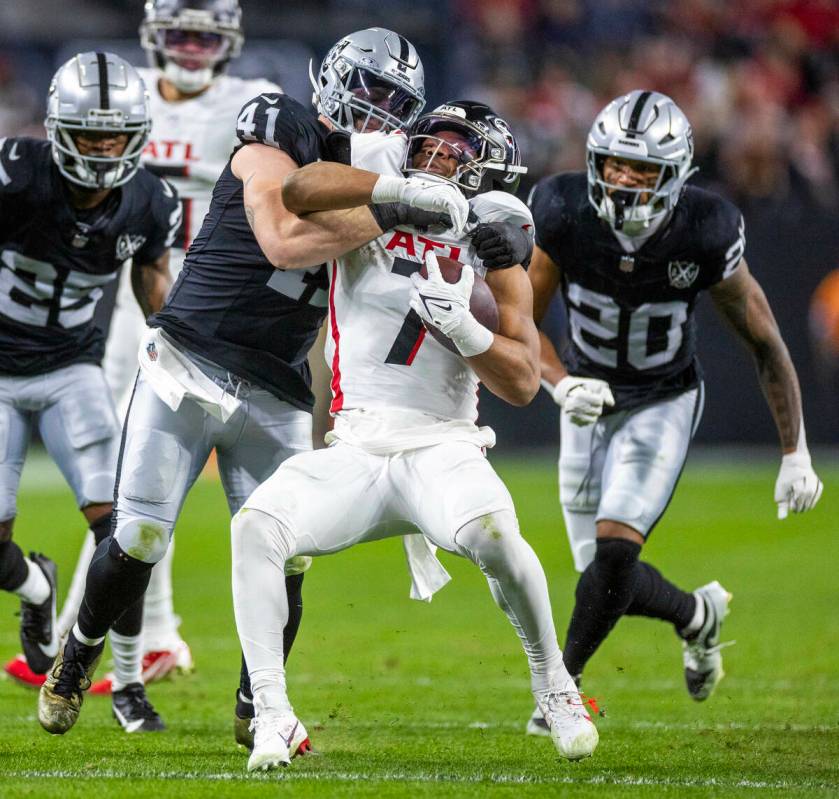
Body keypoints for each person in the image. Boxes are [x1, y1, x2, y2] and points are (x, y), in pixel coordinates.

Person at [36, 28, 467, 745]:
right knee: (139, 533)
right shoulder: (281, 121)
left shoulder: (386, 177)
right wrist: (395, 204)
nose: (374, 109)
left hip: (278, 383)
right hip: (191, 358)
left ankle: (255, 706)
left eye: (393, 100)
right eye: (365, 88)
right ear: (330, 81)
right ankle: (76, 656)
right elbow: (281, 241)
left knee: (288, 548)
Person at [228, 100, 599, 773]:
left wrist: (466, 332)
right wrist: (394, 195)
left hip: (443, 443)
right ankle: (274, 713)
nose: (437, 159)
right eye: (429, 146)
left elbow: (519, 381)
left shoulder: (493, 243)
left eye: (457, 153)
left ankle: (555, 686)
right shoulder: (374, 201)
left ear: (486, 171)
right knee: (256, 526)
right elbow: (299, 188)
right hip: (357, 443)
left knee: (492, 533)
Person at [4, 0, 284, 693]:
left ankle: (120, 635)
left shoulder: (254, 107)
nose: (190, 49)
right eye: (177, 35)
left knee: (142, 480)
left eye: (204, 36)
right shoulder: (108, 96)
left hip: (208, 290)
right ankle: (130, 629)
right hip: (131, 293)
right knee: (133, 475)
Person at [525, 90, 823, 734]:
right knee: (599, 577)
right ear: (594, 161)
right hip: (586, 399)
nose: (625, 182)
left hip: (662, 397)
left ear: (677, 175)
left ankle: (558, 691)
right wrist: (558, 384)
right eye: (614, 165)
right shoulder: (562, 208)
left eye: (643, 171)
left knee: (613, 555)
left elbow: (764, 338)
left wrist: (794, 449)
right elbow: (523, 323)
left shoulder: (705, 228)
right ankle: (696, 615)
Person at [0, 52, 179, 731]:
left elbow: (153, 281)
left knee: (125, 533)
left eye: (114, 135)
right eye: (89, 134)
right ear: (56, 129)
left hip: (74, 368)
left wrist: (175, 339)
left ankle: (124, 681)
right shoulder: (16, 173)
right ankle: (37, 585)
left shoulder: (149, 198)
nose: (103, 149)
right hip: (1, 370)